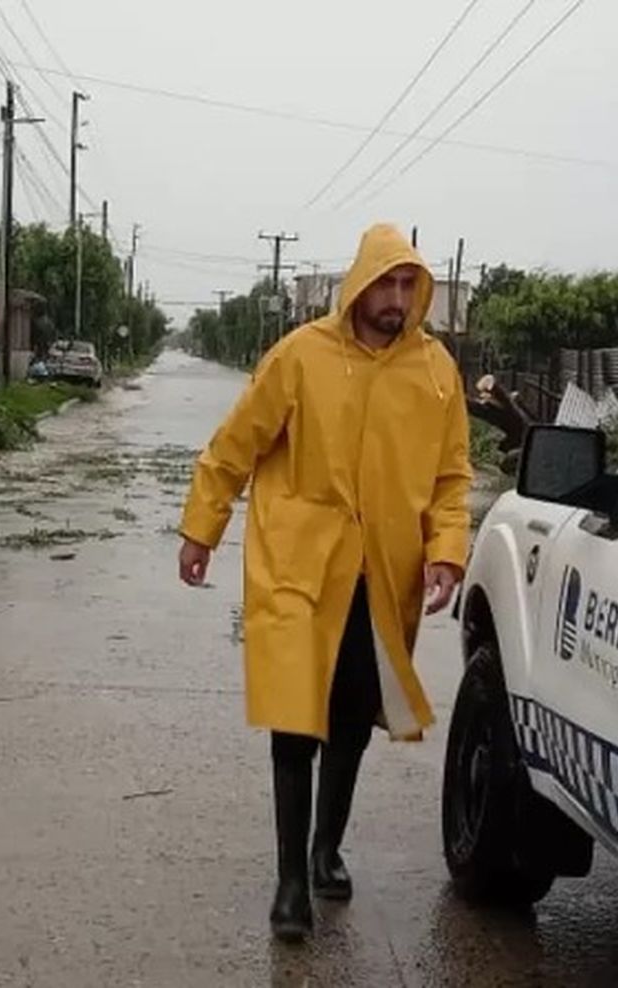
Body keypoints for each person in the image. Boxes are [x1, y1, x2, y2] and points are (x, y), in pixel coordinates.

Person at [176, 223, 473, 942]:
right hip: (298, 568)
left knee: (350, 719)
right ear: (359, 285)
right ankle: (288, 885)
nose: (398, 298)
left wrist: (446, 551)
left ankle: (325, 848)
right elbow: (234, 444)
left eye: (410, 286)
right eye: (387, 284)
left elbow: (453, 477)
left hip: (383, 573)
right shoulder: (301, 356)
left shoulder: (436, 373)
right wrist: (201, 528)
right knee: (293, 719)